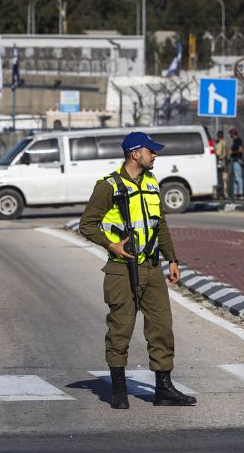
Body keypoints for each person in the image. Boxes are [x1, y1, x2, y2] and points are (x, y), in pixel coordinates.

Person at [78, 131, 197, 409]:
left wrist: (173, 258)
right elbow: (87, 224)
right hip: (121, 269)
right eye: (150, 151)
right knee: (120, 329)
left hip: (152, 268)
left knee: (161, 329)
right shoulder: (108, 186)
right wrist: (111, 245)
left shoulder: (153, 182)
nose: (155, 155)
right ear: (135, 154)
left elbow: (161, 224)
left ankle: (163, 389)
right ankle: (118, 389)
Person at [229, 127, 244, 197]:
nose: (230, 135)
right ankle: (235, 193)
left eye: (230, 133)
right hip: (233, 161)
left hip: (237, 160)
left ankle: (240, 193)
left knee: (238, 177)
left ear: (233, 133)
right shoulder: (234, 141)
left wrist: (233, 152)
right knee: (234, 178)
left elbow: (240, 150)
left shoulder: (238, 140)